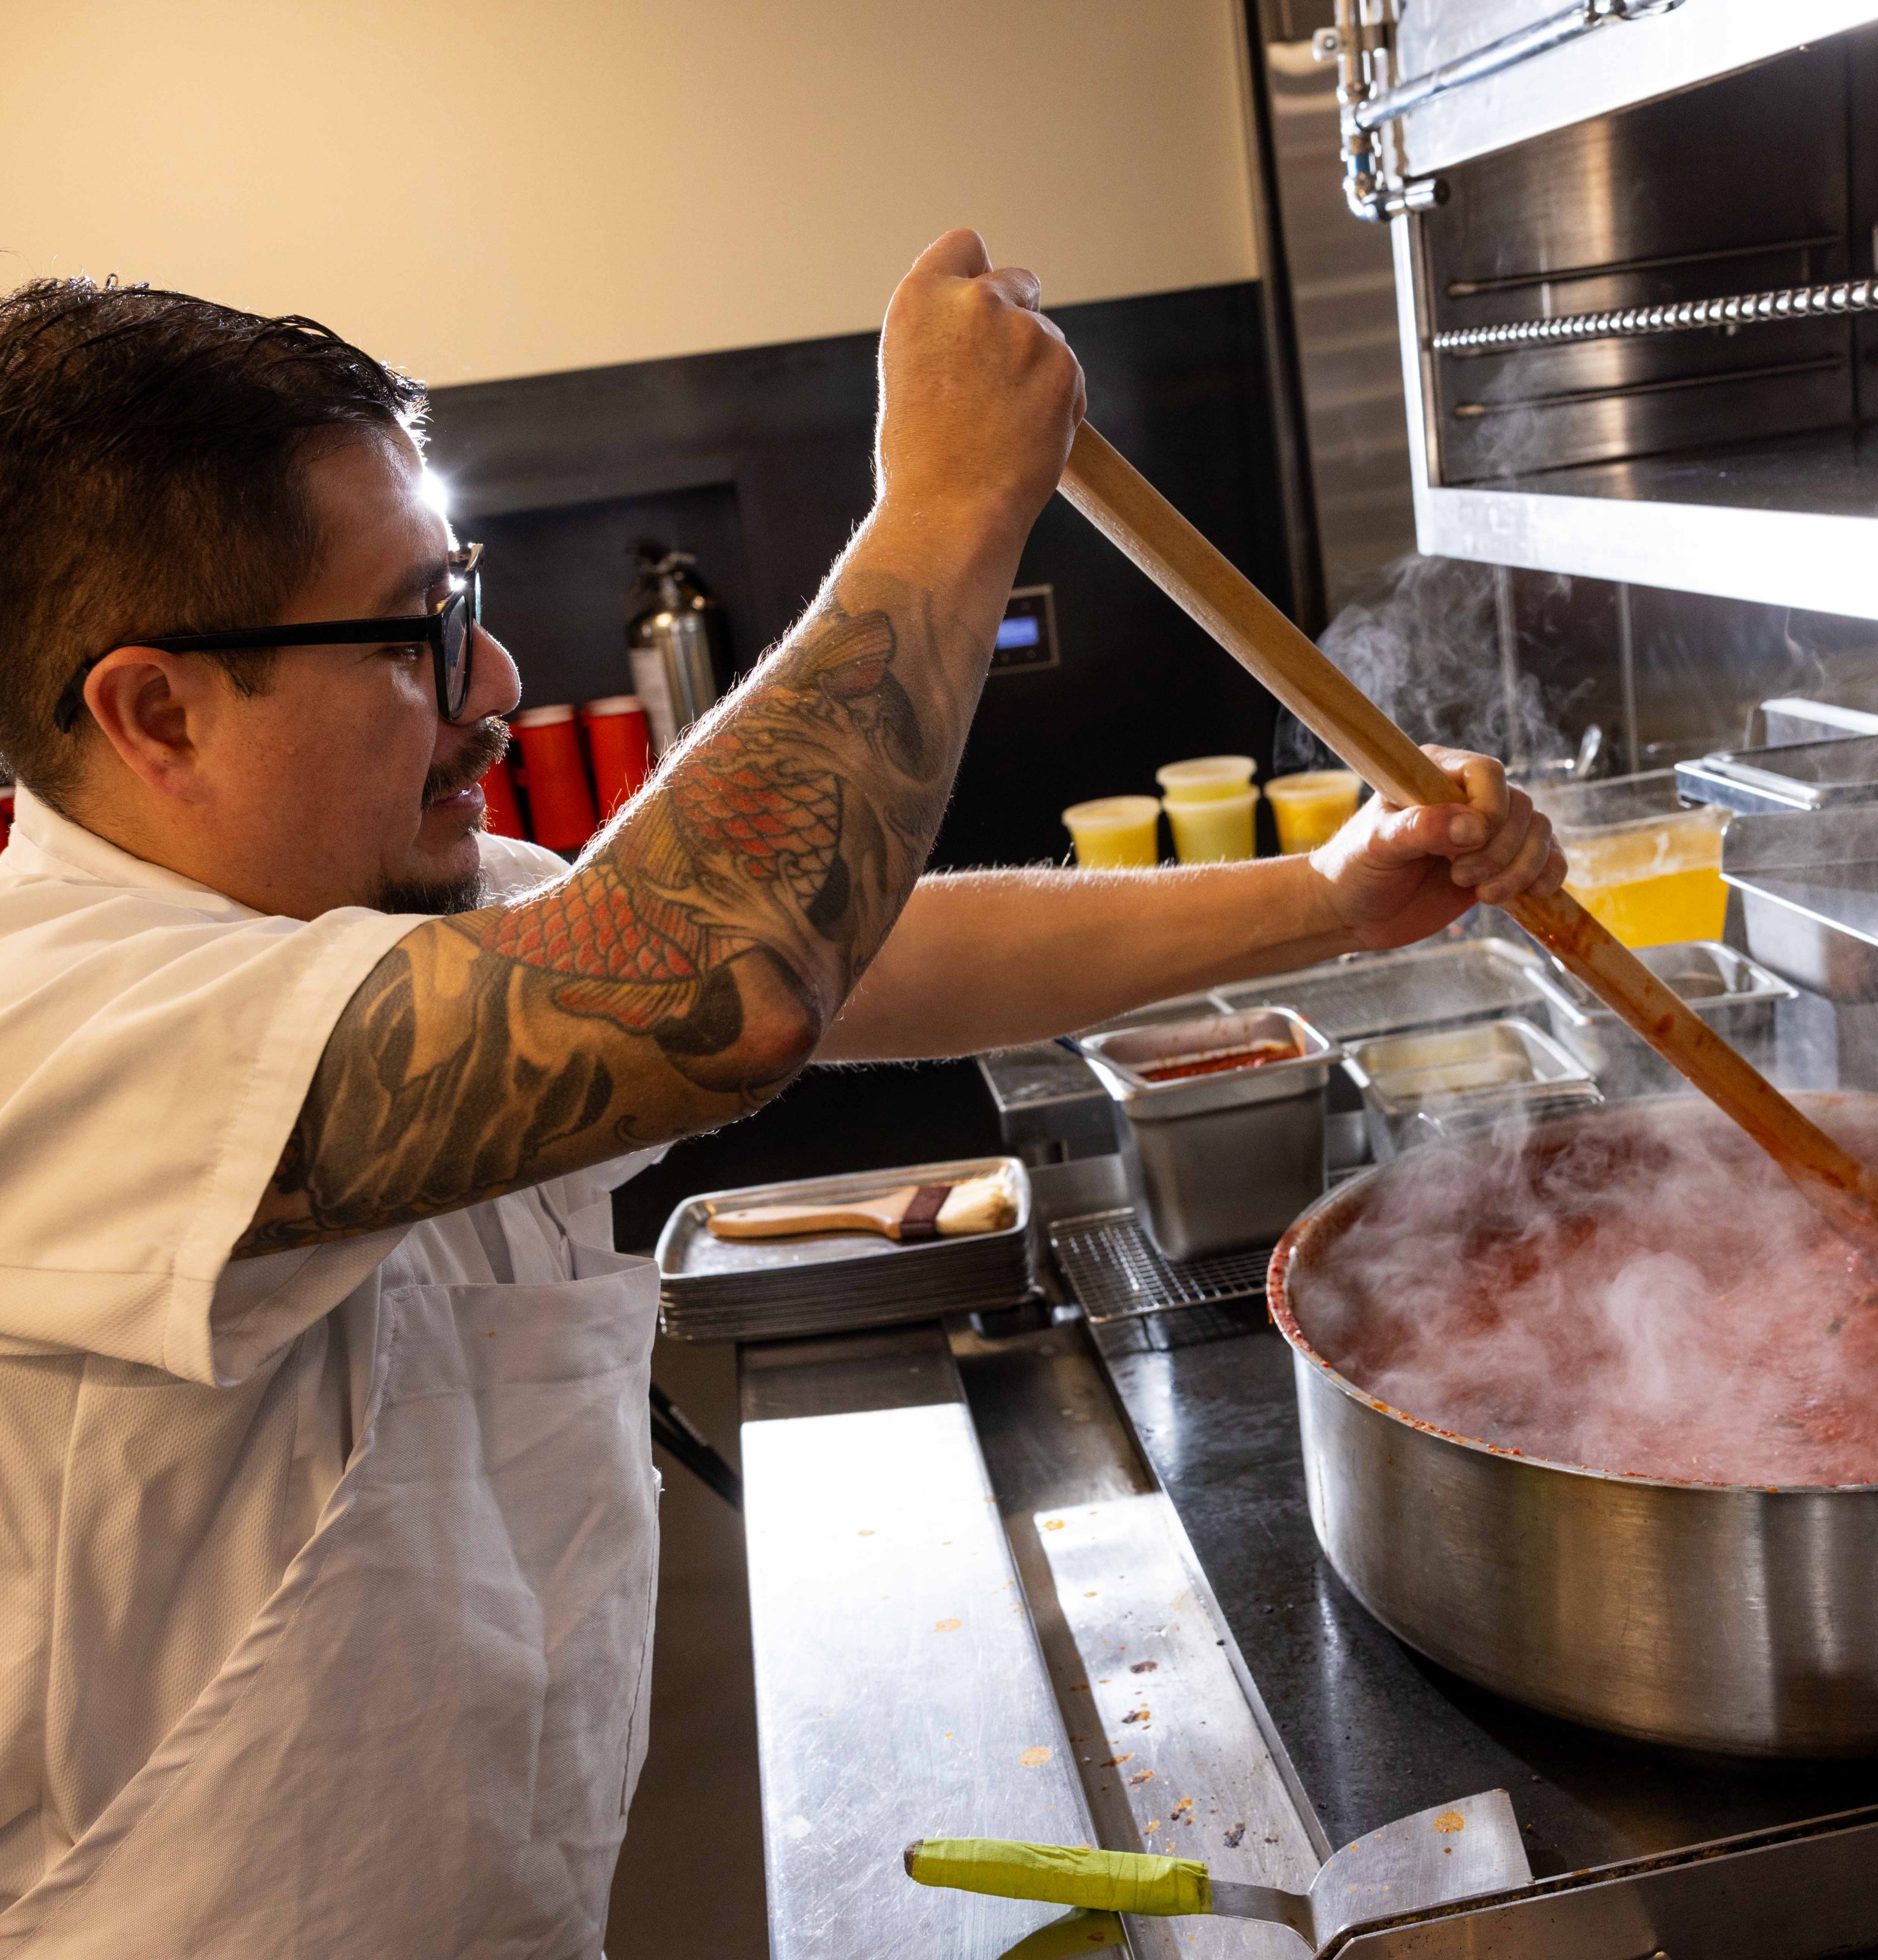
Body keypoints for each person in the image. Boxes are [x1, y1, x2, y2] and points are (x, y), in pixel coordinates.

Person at [0, 230, 1562, 1953]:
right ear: (154, 714)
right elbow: (720, 986)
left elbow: (861, 958)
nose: (497, 687)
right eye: (419, 634)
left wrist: (1326, 898)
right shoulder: (57, 1029)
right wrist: (948, 511)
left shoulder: (359, 923)